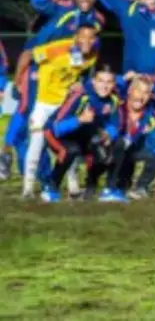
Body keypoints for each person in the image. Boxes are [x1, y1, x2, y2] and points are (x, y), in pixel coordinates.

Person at [21, 25, 100, 198]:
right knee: (37, 142)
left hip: (65, 105)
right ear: (76, 37)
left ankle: (72, 186)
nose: (87, 40)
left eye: (91, 37)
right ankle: (27, 188)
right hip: (45, 103)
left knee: (67, 144)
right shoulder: (58, 49)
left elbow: (80, 74)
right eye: (83, 36)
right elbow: (28, 55)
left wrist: (80, 85)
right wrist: (21, 81)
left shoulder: (93, 55)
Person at [40, 65, 121, 202]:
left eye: (109, 82)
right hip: (56, 135)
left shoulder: (113, 100)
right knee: (69, 150)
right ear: (93, 81)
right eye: (101, 81)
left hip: (83, 135)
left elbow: (113, 124)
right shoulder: (80, 96)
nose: (105, 86)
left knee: (108, 148)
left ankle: (95, 190)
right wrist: (79, 120)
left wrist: (108, 134)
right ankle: (51, 188)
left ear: (113, 84)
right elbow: (56, 127)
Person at [102, 78, 155, 202]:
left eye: (146, 92)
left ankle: (141, 188)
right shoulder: (117, 108)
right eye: (138, 90)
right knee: (119, 144)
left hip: (133, 151)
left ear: (150, 96)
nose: (141, 96)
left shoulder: (150, 116)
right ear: (130, 91)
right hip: (110, 150)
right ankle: (110, 188)